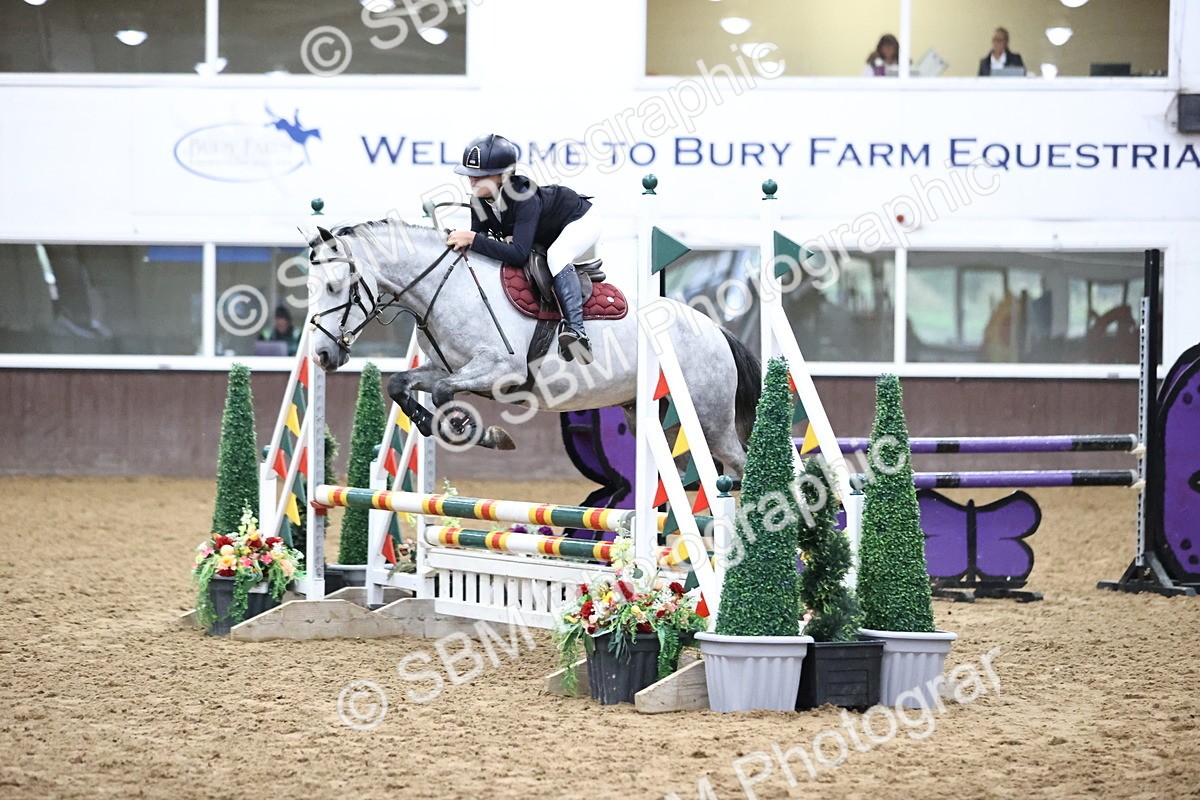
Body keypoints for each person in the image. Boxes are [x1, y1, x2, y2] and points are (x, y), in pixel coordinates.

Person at [446, 133, 597, 364]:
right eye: (471, 175)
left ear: (504, 176)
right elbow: (480, 248)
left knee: (556, 257)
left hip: (578, 220)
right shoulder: (478, 201)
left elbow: (518, 254)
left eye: (482, 176)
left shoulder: (524, 197)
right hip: (544, 231)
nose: (474, 181)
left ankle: (576, 330)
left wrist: (473, 239)